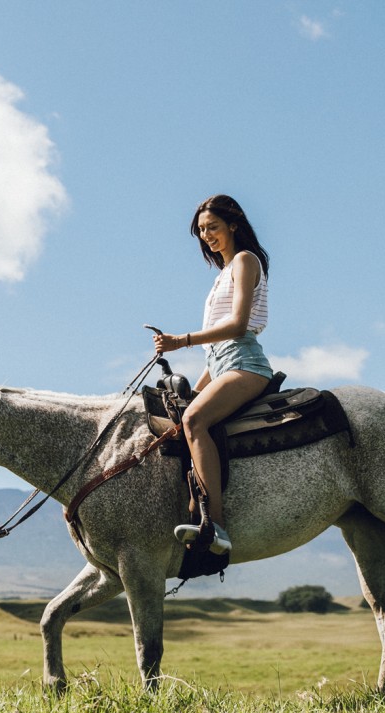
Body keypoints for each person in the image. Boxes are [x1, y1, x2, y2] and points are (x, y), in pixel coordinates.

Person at [153, 194, 273, 555]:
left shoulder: (244, 261)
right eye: (202, 230)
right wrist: (196, 388)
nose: (206, 235)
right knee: (182, 418)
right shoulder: (222, 274)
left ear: (233, 225)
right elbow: (215, 356)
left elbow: (237, 327)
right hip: (223, 364)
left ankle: (213, 524)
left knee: (195, 422)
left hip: (247, 364)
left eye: (213, 227)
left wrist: (180, 341)